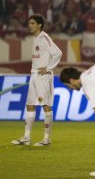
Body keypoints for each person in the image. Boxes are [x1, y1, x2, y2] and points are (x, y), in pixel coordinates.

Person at [11, 14, 62, 146]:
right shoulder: (36, 38)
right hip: (34, 74)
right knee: (30, 105)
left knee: (46, 106)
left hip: (43, 76)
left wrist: (48, 68)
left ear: (39, 25)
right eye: (29, 23)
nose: (30, 25)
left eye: (33, 23)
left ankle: (46, 139)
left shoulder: (44, 37)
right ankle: (26, 137)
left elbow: (58, 53)